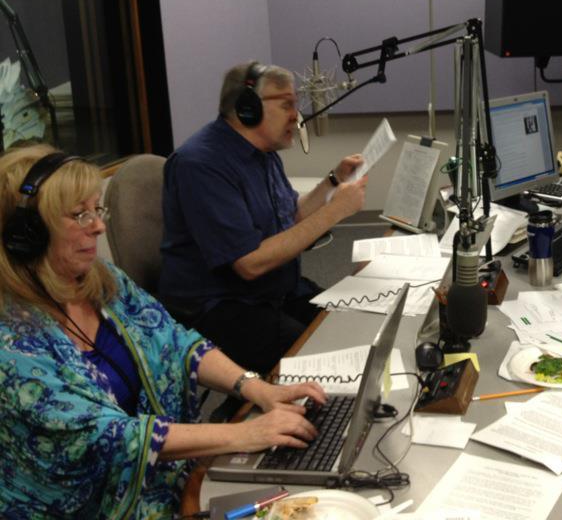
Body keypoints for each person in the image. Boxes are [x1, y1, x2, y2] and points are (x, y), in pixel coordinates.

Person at [0, 145, 328, 518]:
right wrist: (243, 435)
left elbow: (176, 343)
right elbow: (104, 436)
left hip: (159, 482)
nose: (99, 225)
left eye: (97, 209)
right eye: (79, 215)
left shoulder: (101, 282)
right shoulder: (11, 342)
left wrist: (257, 389)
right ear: (26, 235)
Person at [159, 62, 368, 376]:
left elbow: (292, 214)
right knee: (323, 361)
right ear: (247, 108)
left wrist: (333, 181)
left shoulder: (264, 153)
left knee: (345, 328)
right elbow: (249, 263)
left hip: (272, 291)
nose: (296, 115)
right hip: (221, 307)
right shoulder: (201, 165)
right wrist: (335, 211)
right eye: (286, 104)